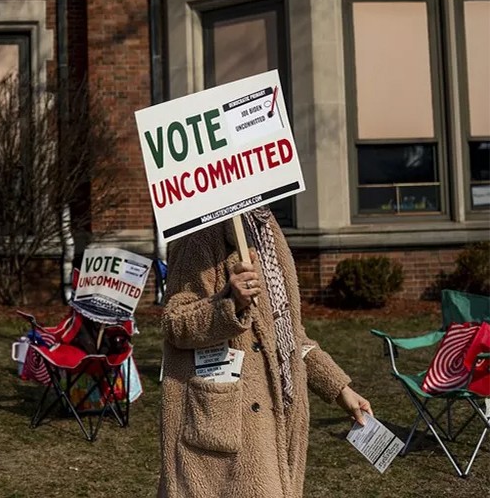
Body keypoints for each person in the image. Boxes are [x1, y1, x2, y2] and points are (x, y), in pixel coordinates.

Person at [158, 207, 372, 498]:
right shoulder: (200, 231)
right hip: (232, 426)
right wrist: (229, 302)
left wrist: (338, 387)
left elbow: (286, 331)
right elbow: (176, 322)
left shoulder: (266, 224)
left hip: (281, 415)